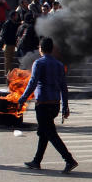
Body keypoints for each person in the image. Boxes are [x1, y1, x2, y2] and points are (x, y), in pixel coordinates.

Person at [18, 36, 78, 173]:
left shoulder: (39, 63)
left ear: (41, 49)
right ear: (51, 49)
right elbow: (64, 87)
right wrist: (65, 107)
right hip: (55, 104)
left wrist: (22, 99)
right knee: (44, 132)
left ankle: (69, 160)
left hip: (43, 104)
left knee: (50, 133)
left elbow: (32, 83)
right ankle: (36, 161)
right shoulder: (59, 65)